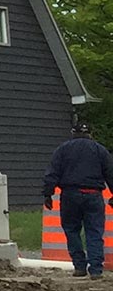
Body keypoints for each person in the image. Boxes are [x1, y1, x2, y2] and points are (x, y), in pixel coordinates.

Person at [43, 118, 113, 276]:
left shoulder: (63, 150)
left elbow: (52, 173)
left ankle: (80, 266)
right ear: (90, 134)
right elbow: (110, 174)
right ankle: (96, 269)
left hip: (70, 195)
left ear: (73, 133)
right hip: (94, 195)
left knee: (71, 230)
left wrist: (48, 194)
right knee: (94, 231)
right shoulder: (100, 150)